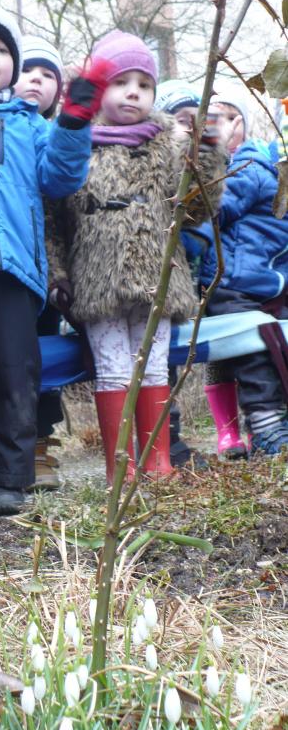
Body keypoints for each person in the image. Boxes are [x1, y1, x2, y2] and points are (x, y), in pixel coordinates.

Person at [0, 2, 109, 515]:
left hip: (18, 271)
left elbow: (60, 177)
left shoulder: (30, 124)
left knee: (17, 373)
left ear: (13, 65)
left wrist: (74, 120)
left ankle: (11, 479)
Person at [52, 31, 225, 484]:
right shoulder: (76, 144)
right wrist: (58, 274)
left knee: (152, 365)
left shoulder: (168, 146)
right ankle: (120, 469)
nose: (133, 92)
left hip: (157, 277)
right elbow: (56, 220)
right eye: (120, 82)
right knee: (112, 369)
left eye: (144, 84)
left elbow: (194, 210)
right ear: (99, 90)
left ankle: (158, 461)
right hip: (99, 279)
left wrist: (206, 155)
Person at [197, 101, 288, 456]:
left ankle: (272, 424)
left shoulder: (260, 168)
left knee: (274, 348)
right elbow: (212, 212)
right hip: (234, 283)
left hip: (267, 283)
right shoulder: (250, 168)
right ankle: (265, 427)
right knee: (255, 353)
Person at [14, 34, 65, 490]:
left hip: (47, 269)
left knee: (43, 358)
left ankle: (40, 446)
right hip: (5, 266)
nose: (36, 80)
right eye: (27, 70)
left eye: (48, 75)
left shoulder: (57, 137)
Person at [154, 79, 209, 468]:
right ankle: (151, 443)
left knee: (164, 363)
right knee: (147, 364)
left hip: (178, 287)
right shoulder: (156, 165)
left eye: (194, 119)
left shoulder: (201, 167)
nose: (187, 127)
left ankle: (168, 440)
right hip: (147, 282)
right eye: (179, 119)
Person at [203, 86, 249, 459]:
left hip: (249, 276)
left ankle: (258, 423)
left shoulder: (254, 163)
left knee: (255, 353)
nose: (226, 125)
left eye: (233, 117)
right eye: (217, 117)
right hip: (213, 276)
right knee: (217, 356)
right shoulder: (201, 163)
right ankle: (227, 432)